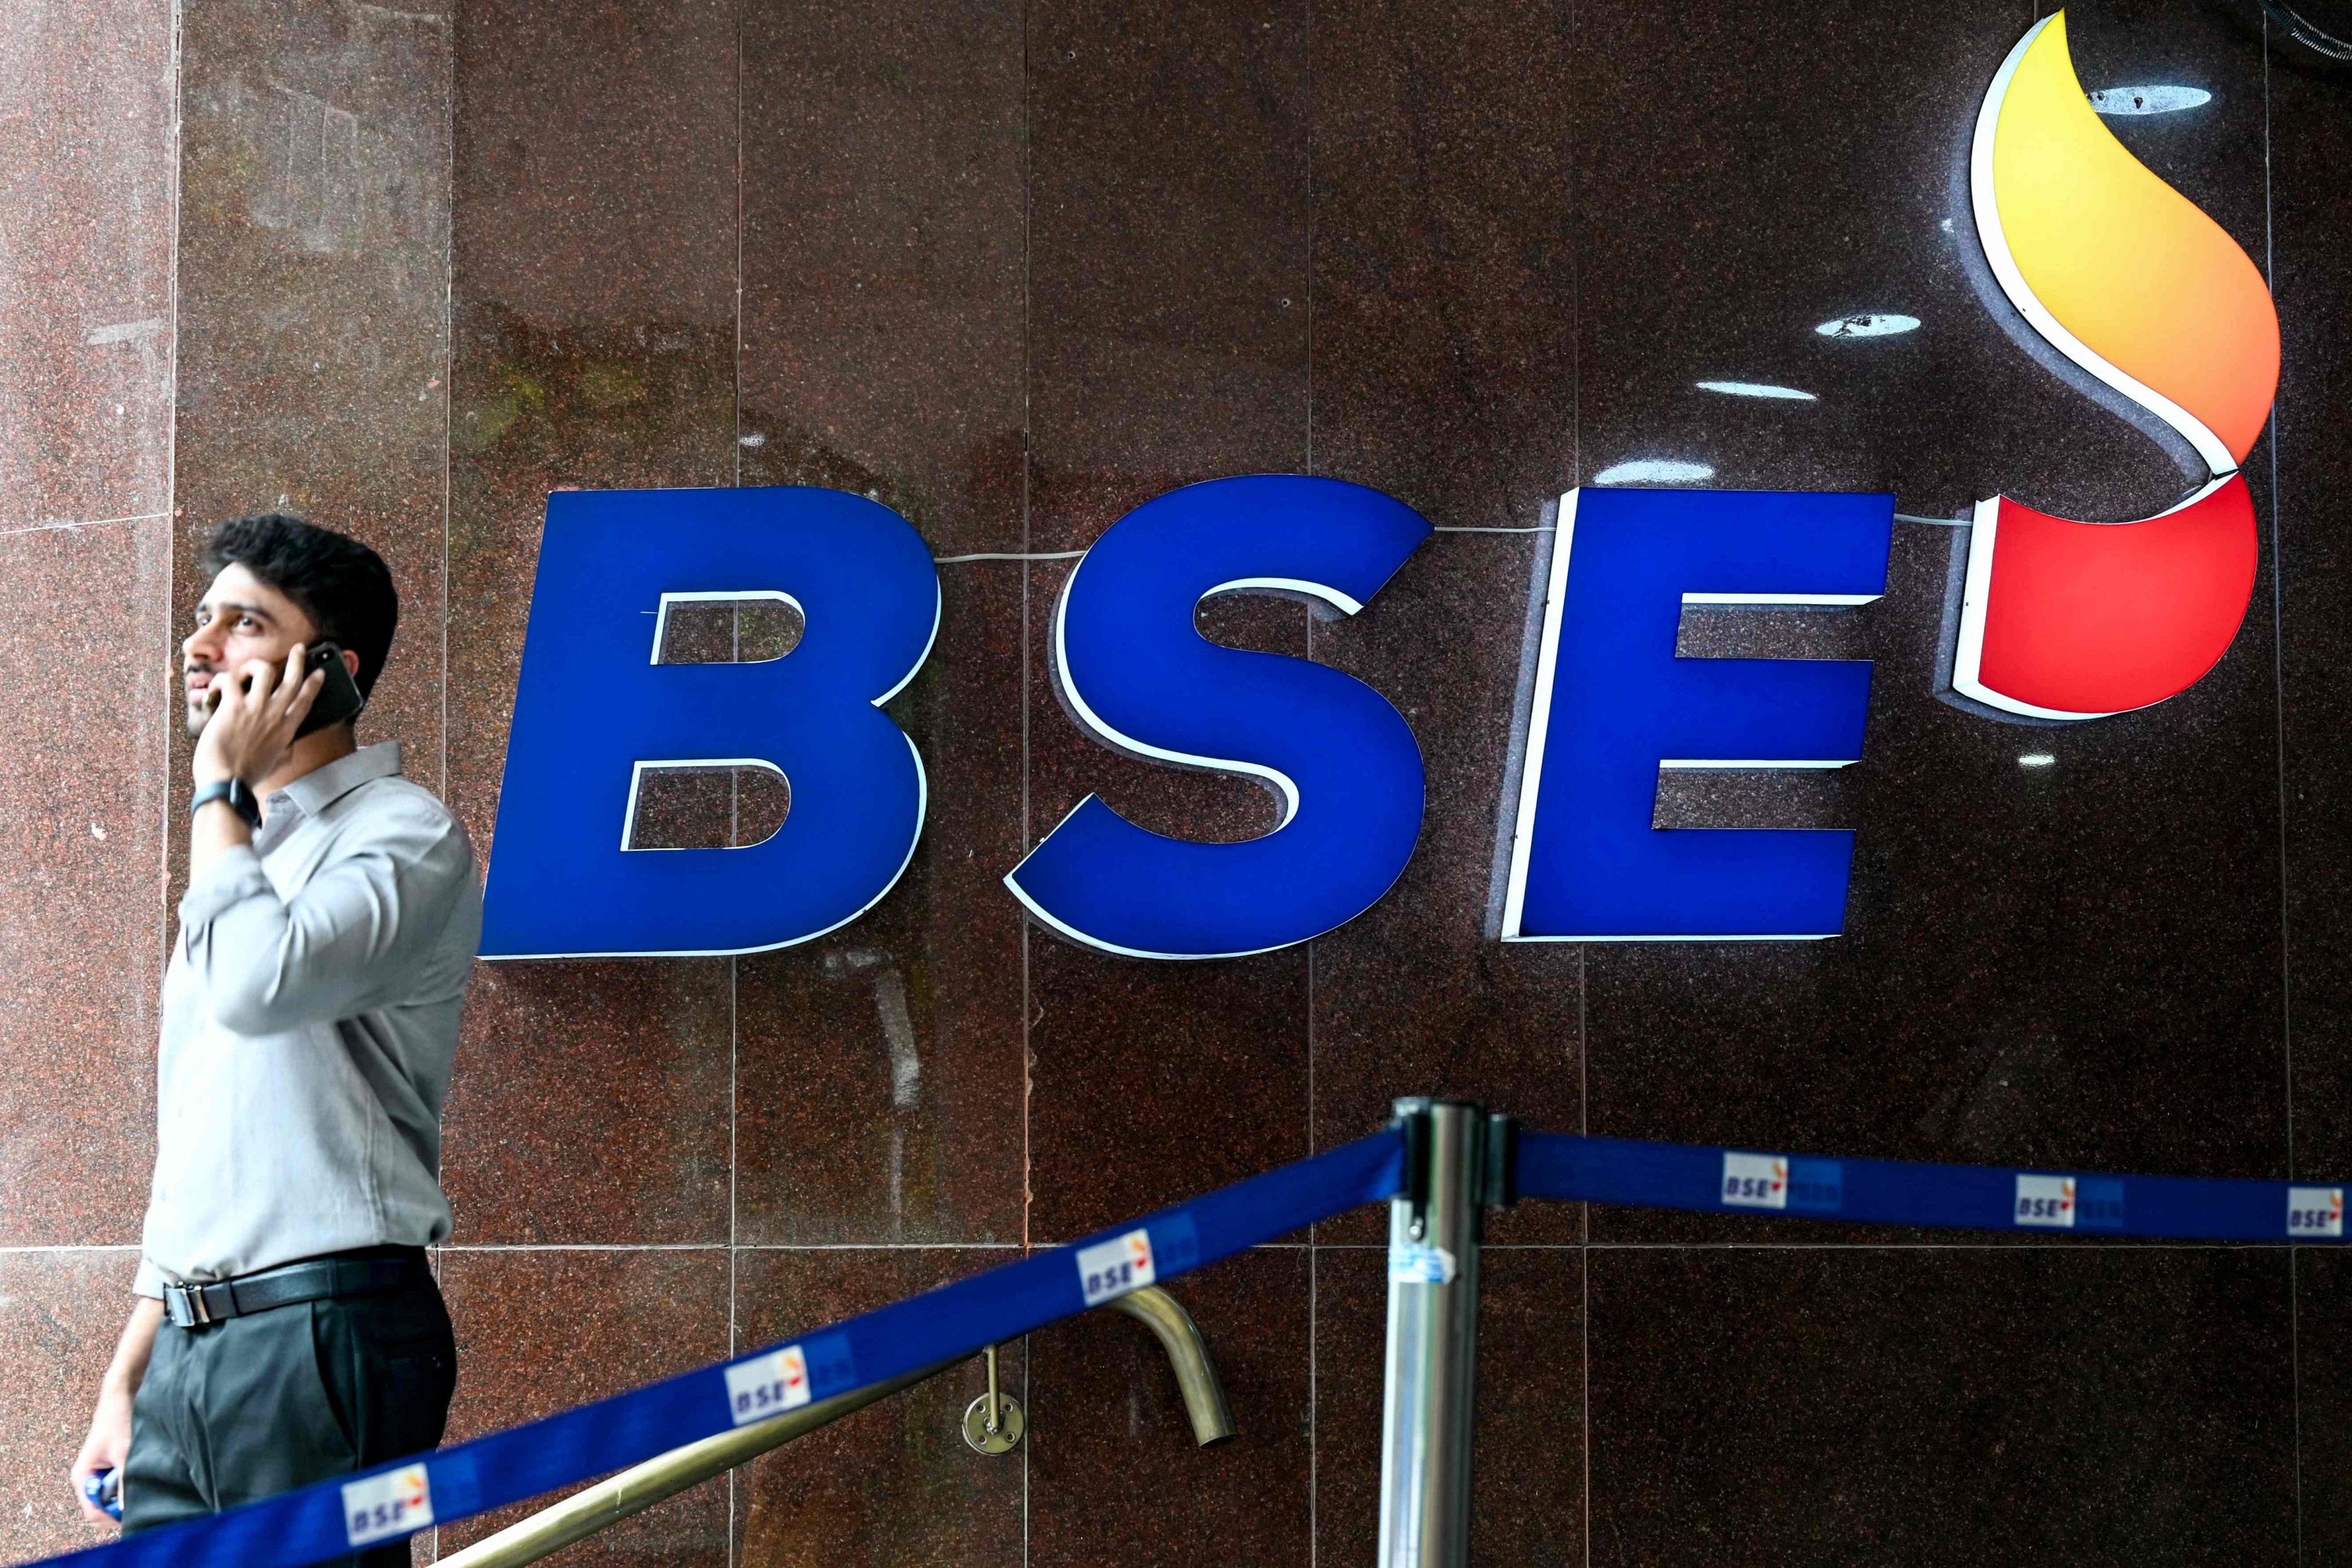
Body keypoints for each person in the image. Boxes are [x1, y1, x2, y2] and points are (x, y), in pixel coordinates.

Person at [68, 514, 482, 1564]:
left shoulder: (402, 832)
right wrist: (128, 1377)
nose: (198, 648)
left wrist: (221, 788)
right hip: (194, 1343)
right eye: (201, 620)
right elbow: (204, 1140)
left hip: (324, 1326)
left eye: (243, 623)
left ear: (329, 671)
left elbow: (258, 988)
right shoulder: (238, 861)